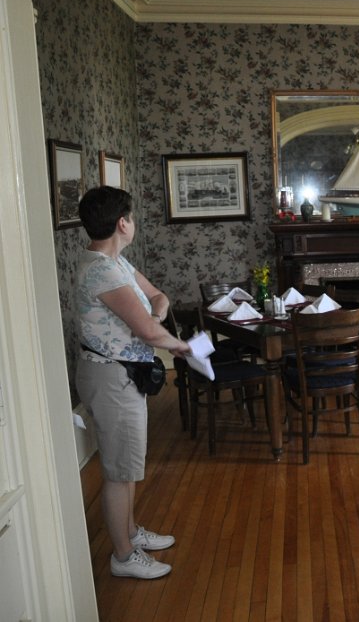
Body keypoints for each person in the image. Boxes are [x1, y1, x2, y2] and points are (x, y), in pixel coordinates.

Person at [75, 186, 191, 579]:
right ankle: (123, 557)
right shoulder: (103, 271)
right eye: (131, 216)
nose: (133, 222)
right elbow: (147, 331)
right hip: (111, 377)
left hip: (121, 375)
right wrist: (182, 347)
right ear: (122, 223)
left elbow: (158, 297)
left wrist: (155, 320)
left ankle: (130, 531)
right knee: (118, 471)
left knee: (126, 463)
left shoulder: (115, 262)